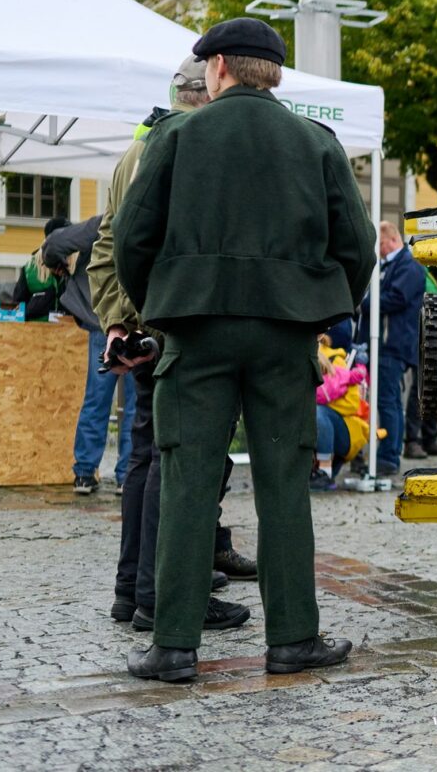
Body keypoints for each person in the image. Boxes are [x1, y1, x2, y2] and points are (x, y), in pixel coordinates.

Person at [115, 17, 376, 683]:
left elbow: (132, 240)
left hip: (194, 331)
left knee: (187, 481)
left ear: (220, 66)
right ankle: (292, 639)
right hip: (283, 333)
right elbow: (355, 243)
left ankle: (173, 647)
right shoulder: (315, 141)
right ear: (275, 74)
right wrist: (321, 309)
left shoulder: (176, 135)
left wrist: (160, 308)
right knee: (284, 484)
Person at [89, 57, 255, 632]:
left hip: (141, 326)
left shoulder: (137, 148)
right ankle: (163, 594)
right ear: (205, 92)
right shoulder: (181, 144)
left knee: (145, 455)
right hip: (173, 327)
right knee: (181, 460)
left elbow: (107, 244)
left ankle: (132, 589)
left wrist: (119, 321)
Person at [45, 214, 139, 494]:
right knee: (135, 402)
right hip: (137, 319)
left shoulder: (105, 221)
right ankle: (127, 475)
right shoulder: (147, 214)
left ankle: (86, 473)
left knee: (97, 398)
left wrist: (57, 265)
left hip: (106, 318)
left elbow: (54, 243)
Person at [362, 222, 429, 474]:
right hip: (388, 343)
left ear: (390, 240)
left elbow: (396, 299)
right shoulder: (393, 265)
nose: (377, 250)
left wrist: (366, 303)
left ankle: (389, 457)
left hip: (392, 344)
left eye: (378, 244)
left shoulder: (408, 266)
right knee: (386, 402)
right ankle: (386, 454)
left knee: (388, 402)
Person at [401, 267, 437, 459]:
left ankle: (430, 439)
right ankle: (412, 441)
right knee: (420, 390)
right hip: (422, 337)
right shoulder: (421, 272)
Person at [314, 339, 370, 489]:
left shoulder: (336, 360)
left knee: (318, 413)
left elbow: (352, 405)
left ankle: (324, 472)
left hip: (347, 433)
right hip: (322, 430)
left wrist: (325, 402)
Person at [10, 215, 69, 321]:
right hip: (36, 331)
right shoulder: (30, 268)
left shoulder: (78, 266)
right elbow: (18, 304)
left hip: (71, 331)